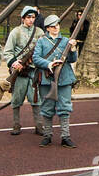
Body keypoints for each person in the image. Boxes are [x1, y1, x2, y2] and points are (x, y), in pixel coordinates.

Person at [33, 15, 78, 147]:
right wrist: (49, 64)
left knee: (65, 107)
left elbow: (72, 59)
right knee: (47, 108)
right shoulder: (41, 41)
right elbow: (36, 58)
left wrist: (73, 49)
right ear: (47, 28)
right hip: (47, 78)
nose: (56, 28)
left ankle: (65, 136)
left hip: (64, 78)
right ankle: (47, 135)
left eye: (57, 25)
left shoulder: (65, 41)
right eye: (53, 26)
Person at [1, 4, 43, 136]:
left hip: (34, 71)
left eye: (33, 17)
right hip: (20, 72)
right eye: (28, 17)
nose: (31, 20)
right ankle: (16, 124)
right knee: (16, 100)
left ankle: (39, 125)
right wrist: (14, 62)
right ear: (23, 18)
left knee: (36, 99)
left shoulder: (39, 32)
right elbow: (7, 52)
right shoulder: (16, 32)